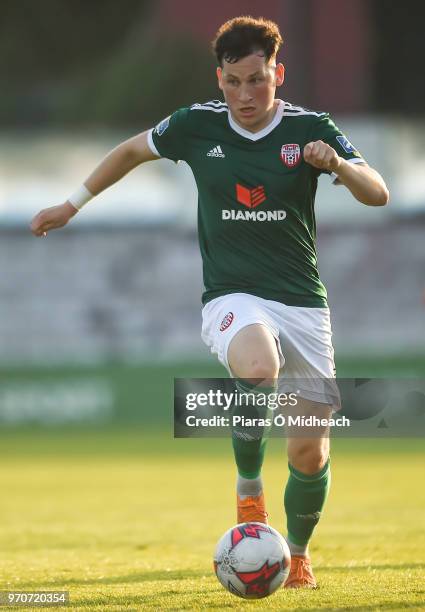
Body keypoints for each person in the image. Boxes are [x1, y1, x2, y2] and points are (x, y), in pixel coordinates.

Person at [31, 16, 389, 589]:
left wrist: (338, 165)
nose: (245, 95)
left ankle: (294, 556)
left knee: (308, 455)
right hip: (233, 296)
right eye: (233, 82)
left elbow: (379, 192)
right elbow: (130, 151)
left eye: (257, 80)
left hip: (303, 305)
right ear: (218, 78)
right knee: (257, 366)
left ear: (279, 73)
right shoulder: (196, 126)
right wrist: (72, 204)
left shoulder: (311, 130)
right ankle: (250, 496)